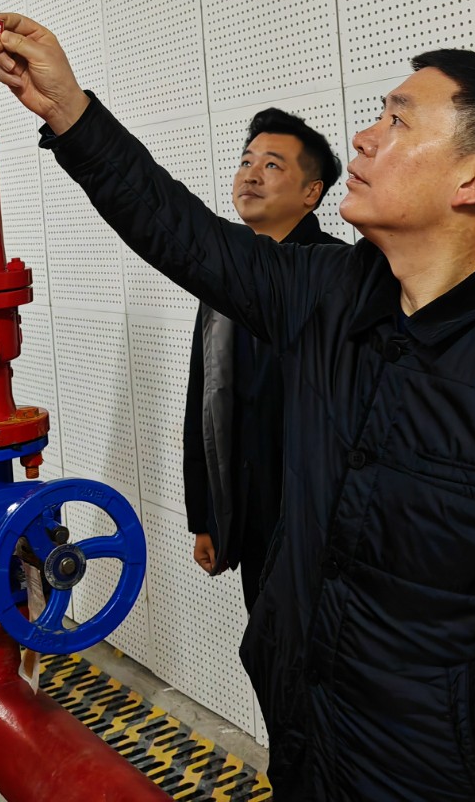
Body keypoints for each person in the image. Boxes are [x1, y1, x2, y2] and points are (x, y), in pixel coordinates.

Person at [0, 13, 475, 802]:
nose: (364, 136)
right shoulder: (326, 294)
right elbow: (180, 232)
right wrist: (71, 112)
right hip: (307, 748)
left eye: (398, 121)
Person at [186, 108, 345, 611]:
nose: (250, 175)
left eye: (272, 165)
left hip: (321, 519)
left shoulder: (338, 275)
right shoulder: (225, 279)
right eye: (246, 161)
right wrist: (205, 516)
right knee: (266, 638)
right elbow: (203, 400)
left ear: (311, 192)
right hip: (252, 512)